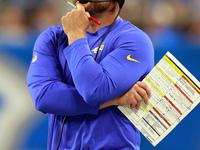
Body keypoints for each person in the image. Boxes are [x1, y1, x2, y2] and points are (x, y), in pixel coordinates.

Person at [27, 0, 154, 149]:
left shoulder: (134, 40)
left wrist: (75, 34)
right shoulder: (52, 38)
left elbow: (94, 91)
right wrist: (113, 100)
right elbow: (44, 98)